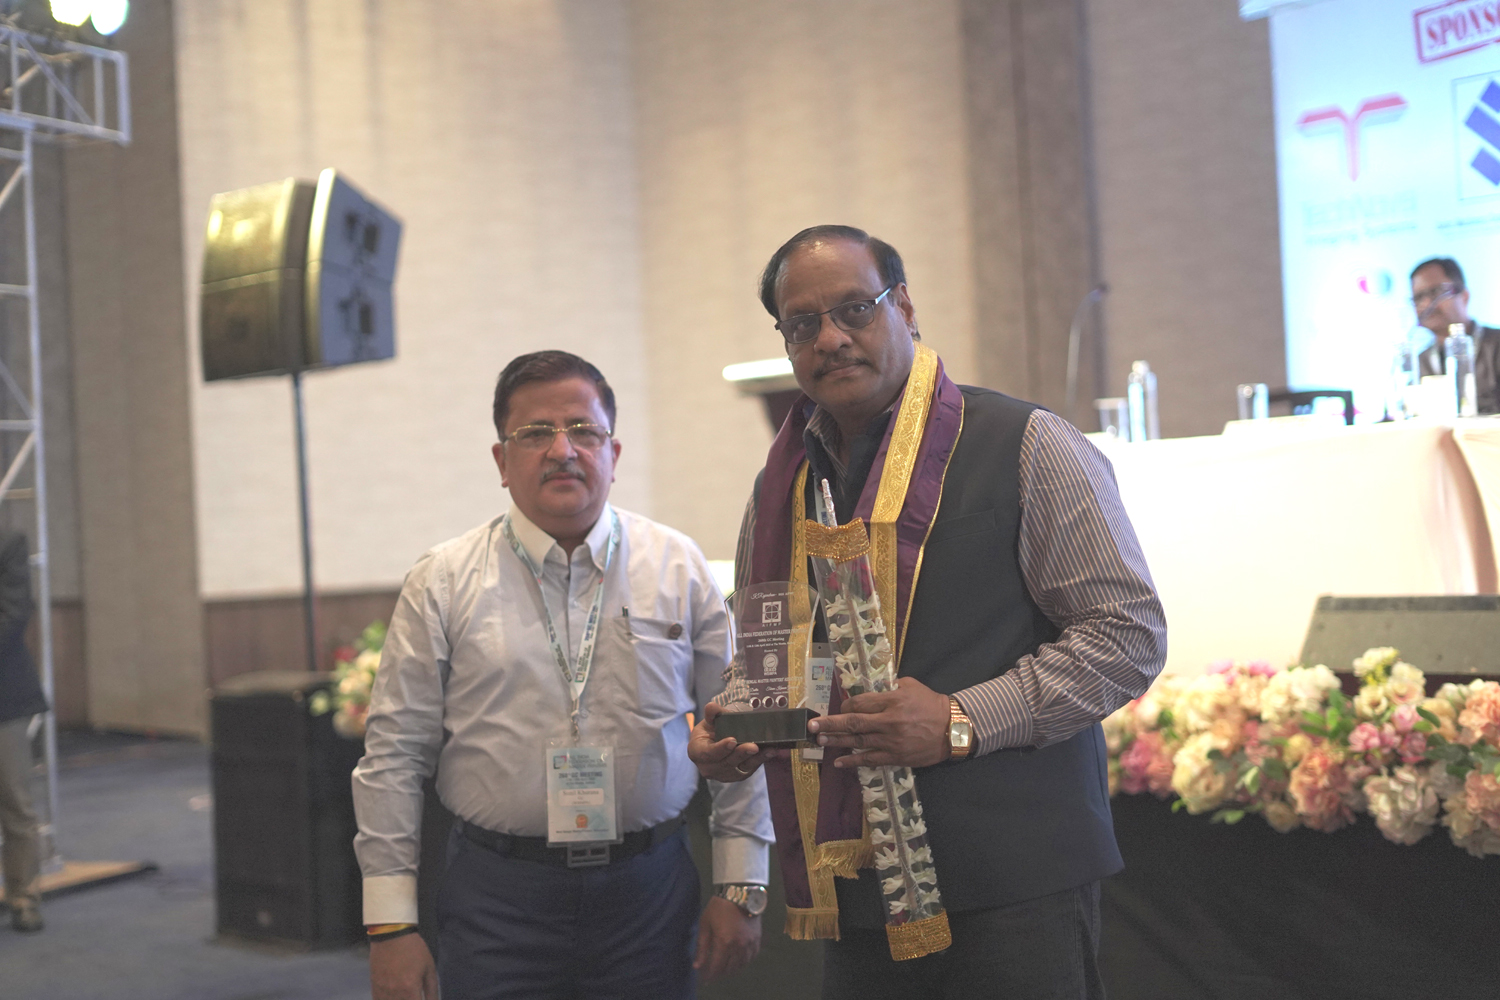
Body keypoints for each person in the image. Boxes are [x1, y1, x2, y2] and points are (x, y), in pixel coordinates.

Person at [688, 226, 1168, 998]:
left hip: (1014, 883)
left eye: (855, 308)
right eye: (803, 323)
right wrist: (738, 726)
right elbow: (769, 657)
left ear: (905, 307)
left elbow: (1127, 635)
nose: (831, 338)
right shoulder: (781, 485)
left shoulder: (1025, 443)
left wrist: (960, 719)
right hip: (858, 888)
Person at [352, 351, 774, 1000]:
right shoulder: (443, 580)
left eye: (584, 430)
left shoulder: (676, 566)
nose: (562, 450)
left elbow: (736, 728)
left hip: (650, 890)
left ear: (614, 452)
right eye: (534, 433)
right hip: (497, 896)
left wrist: (741, 883)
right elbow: (392, 756)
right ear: (501, 461)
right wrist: (390, 926)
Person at [0, 527, 45, 933]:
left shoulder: (8, 540)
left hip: (4, 695)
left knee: (15, 802)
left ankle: (23, 897)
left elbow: (13, 613)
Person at [1410, 256, 1500, 414]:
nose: (1426, 304)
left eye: (1435, 292)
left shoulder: (1495, 345)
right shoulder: (1420, 362)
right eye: (1418, 298)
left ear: (1464, 295)